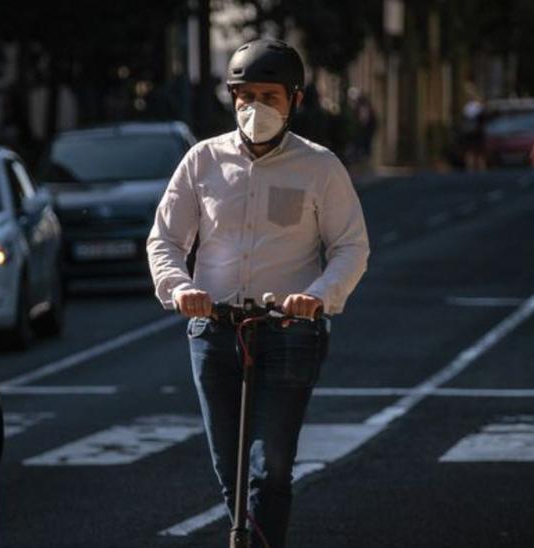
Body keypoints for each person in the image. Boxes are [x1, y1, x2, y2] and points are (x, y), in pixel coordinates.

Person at [147, 38, 369, 547]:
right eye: (245, 96)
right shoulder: (202, 161)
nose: (256, 108)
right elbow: (165, 239)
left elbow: (351, 248)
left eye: (270, 96)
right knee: (230, 467)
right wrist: (181, 289)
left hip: (289, 333)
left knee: (270, 467)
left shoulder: (320, 168)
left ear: (295, 100)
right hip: (214, 330)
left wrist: (317, 296)